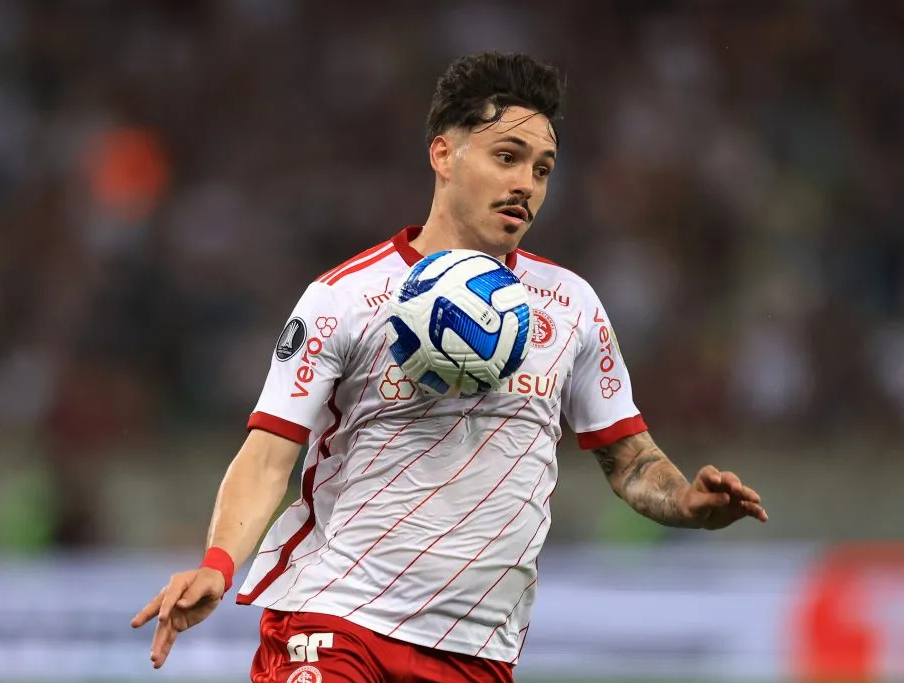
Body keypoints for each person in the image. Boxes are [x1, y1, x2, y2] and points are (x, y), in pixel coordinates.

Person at [131, 52, 768, 683]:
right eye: (507, 157)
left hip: (479, 647)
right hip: (337, 619)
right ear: (443, 155)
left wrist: (686, 501)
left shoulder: (571, 306)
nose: (526, 184)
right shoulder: (344, 299)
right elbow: (269, 454)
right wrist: (218, 562)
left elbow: (630, 462)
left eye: (543, 170)